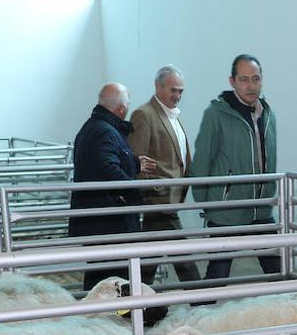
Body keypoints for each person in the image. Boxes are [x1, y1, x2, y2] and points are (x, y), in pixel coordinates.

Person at [190, 54, 278, 280]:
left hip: (261, 208)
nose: (251, 86)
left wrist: (269, 194)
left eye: (256, 79)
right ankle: (203, 312)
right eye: (244, 79)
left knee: (277, 268)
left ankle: (289, 313)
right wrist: (210, 206)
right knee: (219, 271)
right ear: (233, 82)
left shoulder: (267, 114)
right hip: (228, 210)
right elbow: (201, 162)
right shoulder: (216, 115)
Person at [71, 83, 157, 291]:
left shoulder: (92, 127)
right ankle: (117, 316)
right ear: (121, 109)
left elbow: (102, 162)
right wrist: (134, 190)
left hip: (97, 219)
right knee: (112, 277)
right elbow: (107, 169)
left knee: (101, 274)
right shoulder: (106, 132)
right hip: (108, 220)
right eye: (127, 104)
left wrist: (135, 163)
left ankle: (101, 315)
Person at [128, 65, 201, 284]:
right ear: (157, 87)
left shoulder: (173, 116)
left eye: (181, 91)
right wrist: (153, 190)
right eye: (173, 90)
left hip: (169, 199)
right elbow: (136, 160)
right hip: (158, 200)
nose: (177, 95)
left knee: (149, 262)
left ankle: (129, 306)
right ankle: (203, 299)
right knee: (182, 255)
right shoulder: (144, 115)